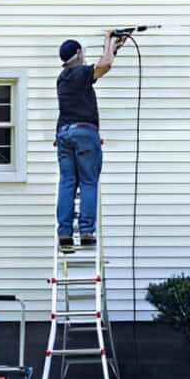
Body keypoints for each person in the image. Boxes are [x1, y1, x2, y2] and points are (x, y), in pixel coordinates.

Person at [55, 32, 125, 251]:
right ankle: (86, 231)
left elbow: (102, 65)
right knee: (88, 181)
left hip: (64, 134)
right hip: (85, 133)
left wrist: (114, 48)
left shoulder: (63, 77)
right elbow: (105, 66)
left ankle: (65, 234)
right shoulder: (79, 73)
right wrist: (108, 41)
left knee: (67, 182)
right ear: (78, 54)